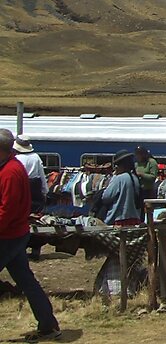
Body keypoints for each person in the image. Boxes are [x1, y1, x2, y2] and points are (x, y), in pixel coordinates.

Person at [0, 129, 61, 340]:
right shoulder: (13, 166)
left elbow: (6, 210)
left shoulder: (9, 172)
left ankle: (48, 324)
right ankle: (48, 325)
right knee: (27, 281)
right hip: (16, 233)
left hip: (7, 235)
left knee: (27, 281)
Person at [13, 134, 48, 261]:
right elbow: (42, 175)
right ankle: (36, 249)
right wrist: (45, 191)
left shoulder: (16, 159)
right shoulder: (36, 157)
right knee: (36, 220)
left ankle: (21, 248)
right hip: (35, 190)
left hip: (22, 189)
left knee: (21, 219)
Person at [101, 150, 142, 226]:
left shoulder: (118, 178)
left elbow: (106, 197)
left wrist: (112, 178)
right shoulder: (135, 178)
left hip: (119, 219)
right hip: (134, 219)